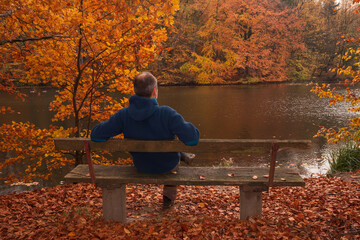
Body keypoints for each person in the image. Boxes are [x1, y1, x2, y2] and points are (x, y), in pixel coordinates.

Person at [91, 72, 200, 209]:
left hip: (141, 165)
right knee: (174, 152)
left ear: (135, 91)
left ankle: (180, 155)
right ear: (154, 91)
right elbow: (192, 140)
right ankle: (168, 199)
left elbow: (95, 136)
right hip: (167, 166)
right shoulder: (167, 113)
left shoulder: (124, 115)